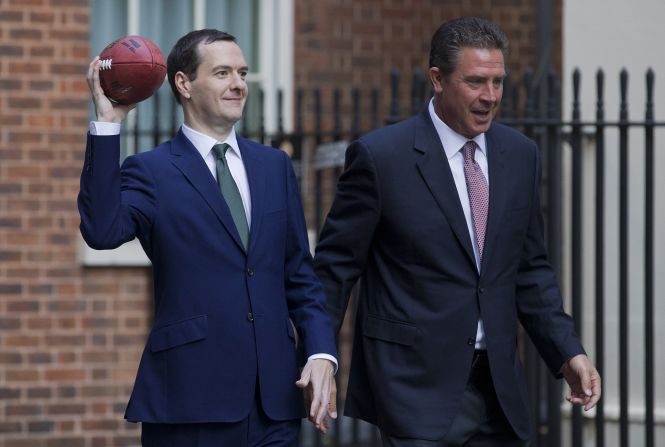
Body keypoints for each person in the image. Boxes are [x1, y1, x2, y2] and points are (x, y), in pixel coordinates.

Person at [313, 17, 601, 446]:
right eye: (475, 82)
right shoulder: (381, 157)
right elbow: (334, 271)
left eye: (498, 82)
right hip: (413, 392)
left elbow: (530, 271)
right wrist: (321, 355)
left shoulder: (521, 155)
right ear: (438, 79)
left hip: (500, 393)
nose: (490, 97)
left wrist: (568, 352)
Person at [79, 29, 337, 446]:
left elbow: (300, 278)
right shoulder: (152, 171)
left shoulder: (274, 166)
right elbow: (102, 231)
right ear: (183, 83)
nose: (238, 84)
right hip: (189, 400)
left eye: (242, 72)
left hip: (275, 403)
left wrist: (321, 353)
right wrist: (109, 126)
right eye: (222, 73)